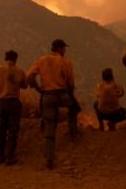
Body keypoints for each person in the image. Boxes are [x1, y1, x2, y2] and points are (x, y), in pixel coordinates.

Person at [27, 39, 79, 170]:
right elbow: (71, 83)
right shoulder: (65, 61)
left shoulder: (42, 60)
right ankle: (73, 132)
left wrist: (38, 88)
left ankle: (49, 158)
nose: (65, 50)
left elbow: (29, 76)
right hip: (62, 95)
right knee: (74, 108)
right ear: (60, 49)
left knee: (50, 126)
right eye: (64, 48)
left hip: (47, 96)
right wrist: (71, 95)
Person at [0, 50, 28, 165]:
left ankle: (0, 156)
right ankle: (10, 156)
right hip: (13, 101)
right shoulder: (19, 71)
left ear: (5, 58)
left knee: (1, 130)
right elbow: (24, 85)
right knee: (13, 130)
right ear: (16, 59)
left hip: (0, 102)